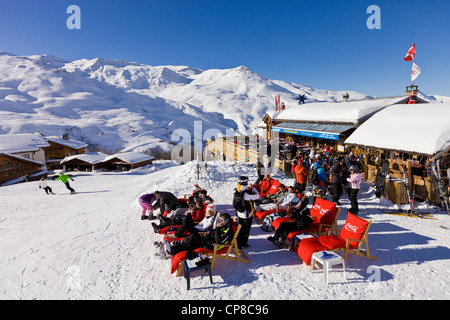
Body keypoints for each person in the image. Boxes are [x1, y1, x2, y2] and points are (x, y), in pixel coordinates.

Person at [234, 176, 259, 249]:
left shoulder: (237, 189)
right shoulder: (246, 194)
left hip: (239, 212)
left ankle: (239, 242)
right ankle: (243, 243)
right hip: (247, 214)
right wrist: (252, 187)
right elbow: (257, 195)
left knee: (240, 228)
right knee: (246, 229)